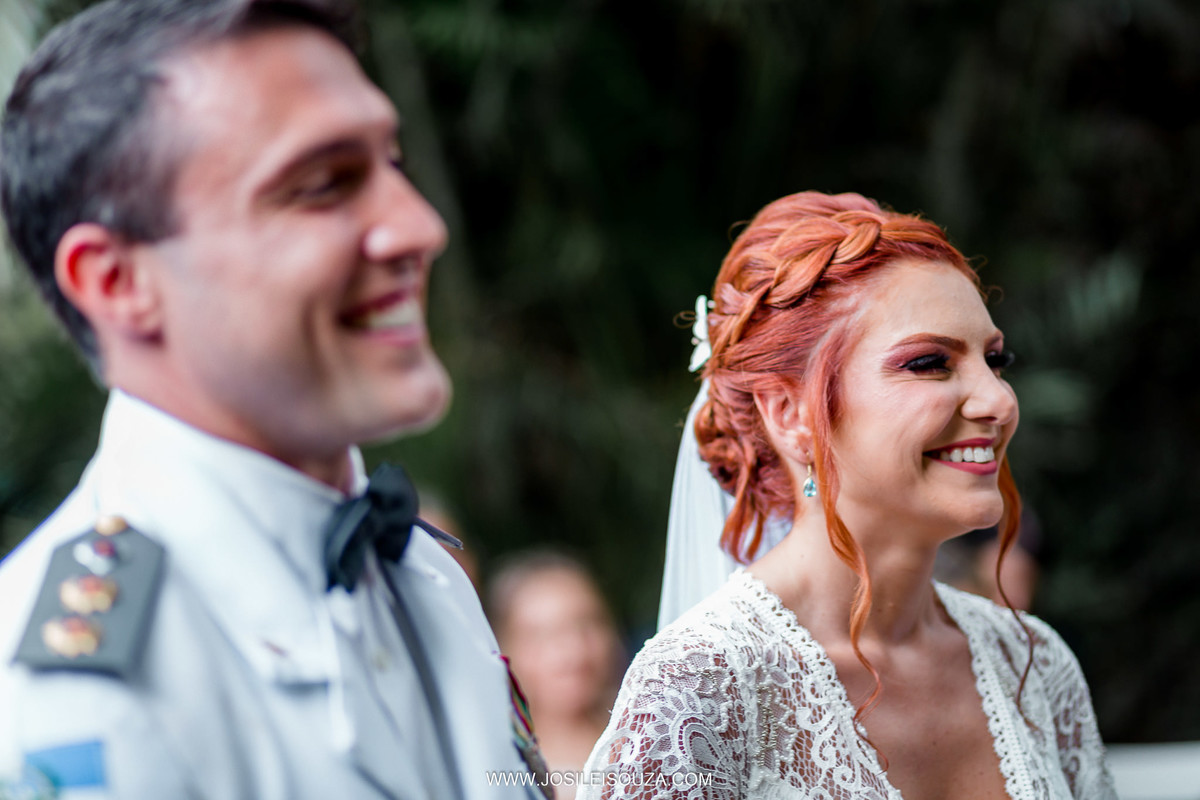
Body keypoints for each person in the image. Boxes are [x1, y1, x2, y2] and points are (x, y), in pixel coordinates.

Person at [0, 1, 545, 797]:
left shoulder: (425, 571)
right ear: (117, 283)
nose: (418, 227)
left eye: (393, 166)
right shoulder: (64, 698)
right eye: (323, 186)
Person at [580, 191, 1116, 799]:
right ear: (791, 414)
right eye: (929, 363)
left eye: (996, 359)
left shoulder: (1034, 666)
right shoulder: (704, 689)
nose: (999, 400)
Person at [489, 551, 625, 800]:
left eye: (588, 624)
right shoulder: (491, 766)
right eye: (544, 635)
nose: (574, 652)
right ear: (504, 647)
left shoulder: (652, 738)